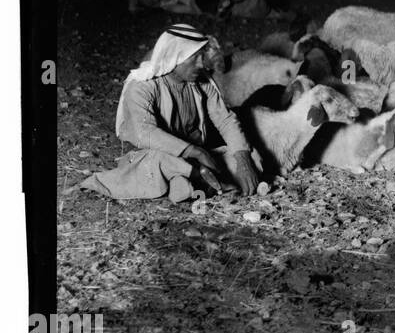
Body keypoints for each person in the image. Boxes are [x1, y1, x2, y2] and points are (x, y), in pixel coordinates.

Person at [79, 24, 262, 203]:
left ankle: (198, 180)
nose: (201, 64)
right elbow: (145, 132)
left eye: (202, 57)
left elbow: (225, 119)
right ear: (174, 57)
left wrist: (243, 160)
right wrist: (194, 152)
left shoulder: (201, 82)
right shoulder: (143, 86)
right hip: (159, 154)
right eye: (195, 58)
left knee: (251, 155)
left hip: (201, 152)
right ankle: (197, 178)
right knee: (165, 163)